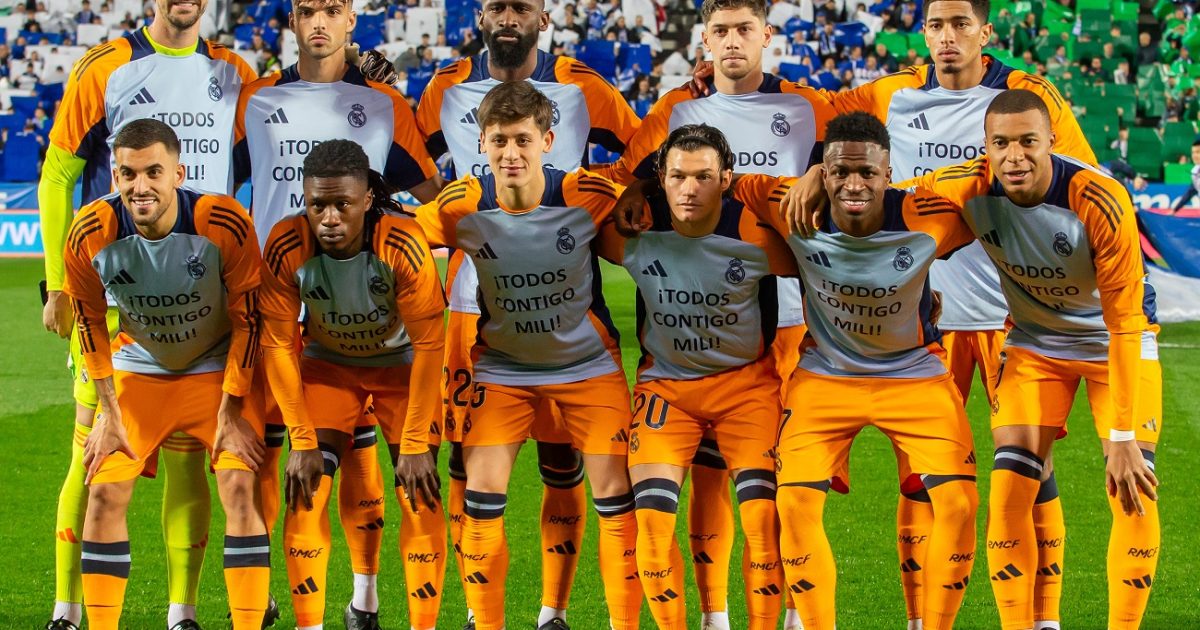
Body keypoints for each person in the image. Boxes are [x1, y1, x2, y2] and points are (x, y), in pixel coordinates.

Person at [774, 2, 1097, 625]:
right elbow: (822, 114)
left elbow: (1077, 178)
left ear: (985, 31)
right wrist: (814, 164)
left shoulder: (1027, 97)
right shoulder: (892, 92)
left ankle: (1044, 617)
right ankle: (920, 618)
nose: (948, 37)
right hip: (920, 318)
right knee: (920, 477)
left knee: (1031, 466)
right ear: (923, 33)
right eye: (936, 26)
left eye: (960, 24)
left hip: (1007, 311)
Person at [599, 1, 832, 626]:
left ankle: (789, 611)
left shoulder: (809, 107)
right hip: (692, 331)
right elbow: (624, 181)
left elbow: (855, 175)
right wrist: (633, 190)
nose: (732, 42)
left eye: (744, 29)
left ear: (767, 34)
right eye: (721, 31)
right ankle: (714, 615)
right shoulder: (676, 109)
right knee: (702, 480)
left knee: (783, 495)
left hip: (788, 321)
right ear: (705, 38)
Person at [414, 1, 640, 625]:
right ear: (480, 144)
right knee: (471, 480)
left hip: (582, 361)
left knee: (595, 486)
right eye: (499, 142)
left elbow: (648, 196)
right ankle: (481, 617)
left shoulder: (587, 186)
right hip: (493, 351)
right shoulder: (460, 197)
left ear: (548, 140)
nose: (511, 153)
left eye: (523, 141)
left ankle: (561, 612)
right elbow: (401, 226)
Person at [37, 1, 257, 627]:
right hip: (114, 297)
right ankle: (67, 609)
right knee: (93, 452)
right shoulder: (104, 67)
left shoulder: (234, 74)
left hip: (201, 298)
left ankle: (181, 612)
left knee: (190, 458)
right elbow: (57, 174)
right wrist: (59, 284)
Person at [910, 91, 1162, 630]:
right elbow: (890, 207)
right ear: (985, 147)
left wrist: (1122, 438)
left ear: (1051, 141)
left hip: (1115, 342)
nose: (1014, 156)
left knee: (1133, 488)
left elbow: (1124, 324)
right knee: (1008, 490)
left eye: (1028, 141)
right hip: (1035, 343)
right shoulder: (967, 186)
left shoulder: (1099, 198)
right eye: (1001, 143)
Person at [232, 2, 440, 624]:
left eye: (332, 9)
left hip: (384, 325)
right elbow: (218, 179)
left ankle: (366, 600)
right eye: (306, 10)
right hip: (288, 312)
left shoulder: (383, 102)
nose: (318, 21)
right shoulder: (254, 99)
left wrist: (396, 235)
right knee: (283, 467)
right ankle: (271, 595)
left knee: (392, 471)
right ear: (291, 22)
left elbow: (429, 193)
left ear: (351, 19)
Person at [758, 112, 980, 630]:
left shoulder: (926, 214)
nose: (854, 185)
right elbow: (734, 182)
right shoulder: (790, 208)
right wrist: (812, 173)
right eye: (840, 172)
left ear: (889, 174)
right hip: (825, 375)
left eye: (867, 173)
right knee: (792, 504)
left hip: (914, 374)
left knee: (958, 504)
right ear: (824, 173)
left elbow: (988, 175)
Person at [62, 119, 272, 630]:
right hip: (141, 366)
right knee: (103, 492)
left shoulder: (223, 221)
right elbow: (89, 323)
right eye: (128, 174)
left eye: (153, 172)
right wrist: (108, 413)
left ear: (178, 174)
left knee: (239, 488)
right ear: (115, 175)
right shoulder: (90, 232)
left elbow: (250, 320)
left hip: (216, 367)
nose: (141, 186)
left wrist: (231, 412)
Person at [596, 123, 792, 629]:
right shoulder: (630, 229)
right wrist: (634, 188)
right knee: (652, 524)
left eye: (704, 176)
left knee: (762, 519)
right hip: (667, 390)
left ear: (726, 179)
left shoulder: (756, 232)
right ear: (660, 179)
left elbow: (831, 264)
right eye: (677, 176)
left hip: (747, 389)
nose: (689, 189)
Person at [258, 140, 447, 630]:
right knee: (306, 488)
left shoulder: (402, 242)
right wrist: (301, 440)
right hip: (329, 368)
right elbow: (276, 345)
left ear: (366, 200)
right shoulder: (285, 244)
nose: (329, 219)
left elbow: (431, 345)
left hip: (401, 369)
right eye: (317, 204)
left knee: (419, 494)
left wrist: (416, 442)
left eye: (342, 204)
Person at [1170, 136, 1200, 213]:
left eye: (1198, 152)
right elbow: (1190, 193)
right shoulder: (1195, 171)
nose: (1194, 155)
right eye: (1193, 152)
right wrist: (1175, 210)